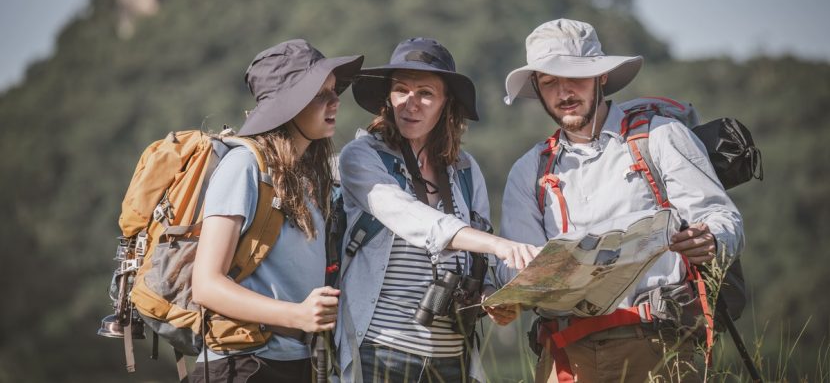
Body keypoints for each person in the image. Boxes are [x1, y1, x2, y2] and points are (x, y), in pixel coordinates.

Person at [495, 19, 744, 382]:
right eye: (549, 82)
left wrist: (710, 238)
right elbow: (512, 266)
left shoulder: (660, 136)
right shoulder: (528, 170)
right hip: (565, 355)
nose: (563, 92)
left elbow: (721, 217)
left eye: (574, 78)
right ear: (537, 87)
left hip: (658, 342)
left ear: (601, 77)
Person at [335, 37, 540, 382]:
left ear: (447, 104)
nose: (410, 103)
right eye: (401, 90)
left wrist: (492, 297)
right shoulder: (362, 156)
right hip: (382, 350)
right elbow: (413, 218)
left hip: (453, 357)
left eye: (426, 94)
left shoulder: (464, 168)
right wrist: (498, 245)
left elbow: (478, 262)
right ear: (388, 97)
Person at [190, 39, 363, 382]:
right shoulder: (244, 167)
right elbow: (206, 284)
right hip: (241, 366)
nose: (335, 101)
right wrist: (297, 315)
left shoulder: (311, 178)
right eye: (319, 94)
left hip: (297, 363)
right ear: (289, 106)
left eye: (333, 90)